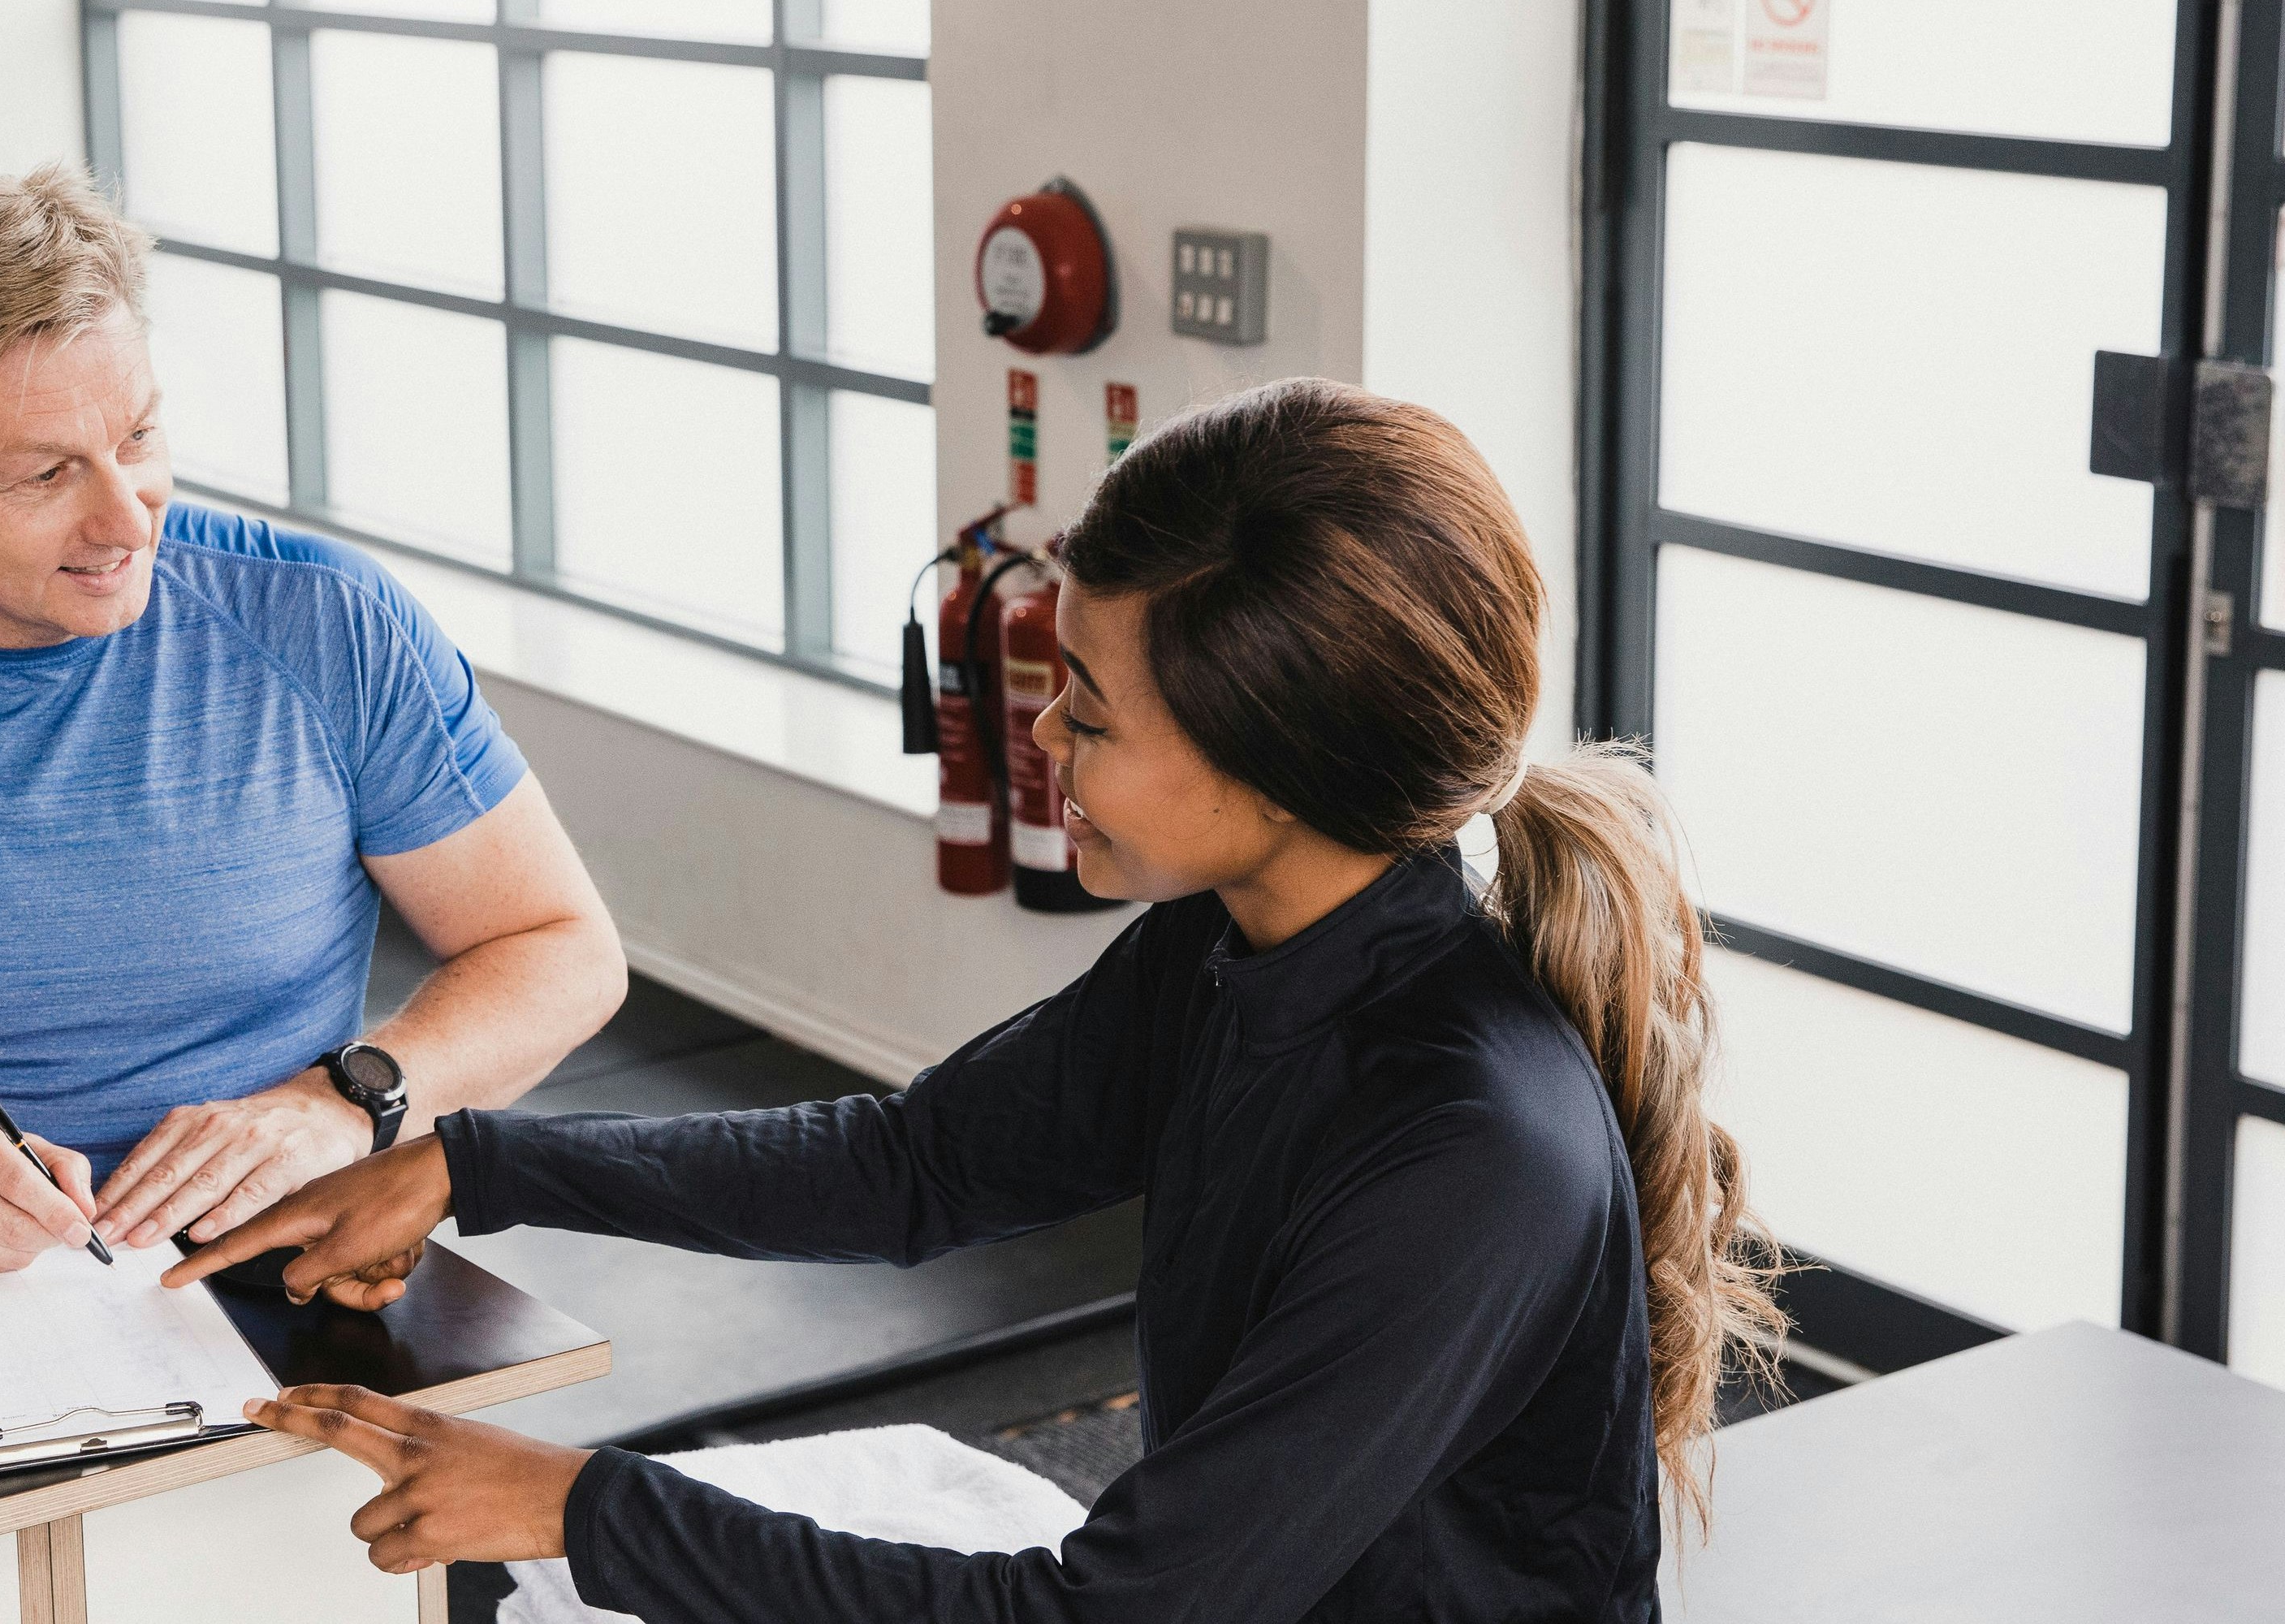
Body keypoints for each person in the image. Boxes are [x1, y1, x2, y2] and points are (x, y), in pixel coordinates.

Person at [171, 378, 1785, 1622]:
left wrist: (585, 1509)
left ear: (1280, 773)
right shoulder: (1229, 948)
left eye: (1091, 716)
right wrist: (474, 1161)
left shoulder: (1466, 1151)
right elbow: (915, 1168)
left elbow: (1112, 1616)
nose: (1045, 745)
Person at [0, 164, 627, 1276]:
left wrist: (346, 1102)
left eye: (137, 438)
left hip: (298, 1268)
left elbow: (561, 948)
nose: (127, 521)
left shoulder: (330, 622)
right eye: (47, 474)